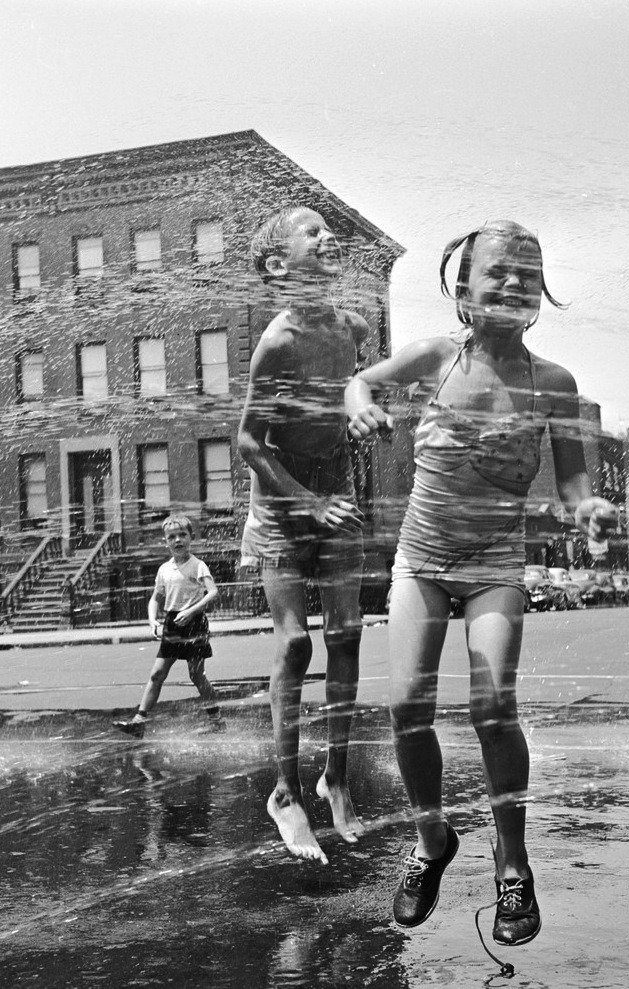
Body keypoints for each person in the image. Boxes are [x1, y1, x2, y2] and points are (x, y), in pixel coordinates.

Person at [345, 221, 616, 945]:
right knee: (406, 705)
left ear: (540, 291)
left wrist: (588, 509)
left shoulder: (552, 383)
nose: (511, 282)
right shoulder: (436, 359)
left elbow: (572, 483)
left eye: (526, 271)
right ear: (462, 287)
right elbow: (360, 380)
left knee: (492, 703)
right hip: (422, 561)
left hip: (495, 562)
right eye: (495, 271)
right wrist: (362, 403)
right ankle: (432, 839)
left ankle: (514, 864)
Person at [238, 205, 370, 865]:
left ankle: (336, 775)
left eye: (327, 229)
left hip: (335, 495)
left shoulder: (351, 328)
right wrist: (309, 503)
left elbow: (349, 393)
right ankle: (285, 791)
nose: (327, 236)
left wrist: (366, 415)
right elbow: (248, 442)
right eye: (310, 230)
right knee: (294, 645)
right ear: (277, 264)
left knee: (346, 634)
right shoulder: (278, 341)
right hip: (283, 508)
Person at [113, 514, 225, 738]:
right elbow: (156, 597)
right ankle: (139, 721)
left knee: (196, 675)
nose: (177, 540)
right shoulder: (164, 569)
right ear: (166, 541)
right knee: (157, 674)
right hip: (172, 624)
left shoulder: (198, 565)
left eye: (182, 535)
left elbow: (212, 592)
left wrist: (191, 611)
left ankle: (216, 718)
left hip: (194, 623)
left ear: (191, 537)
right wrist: (152, 620)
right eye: (172, 537)